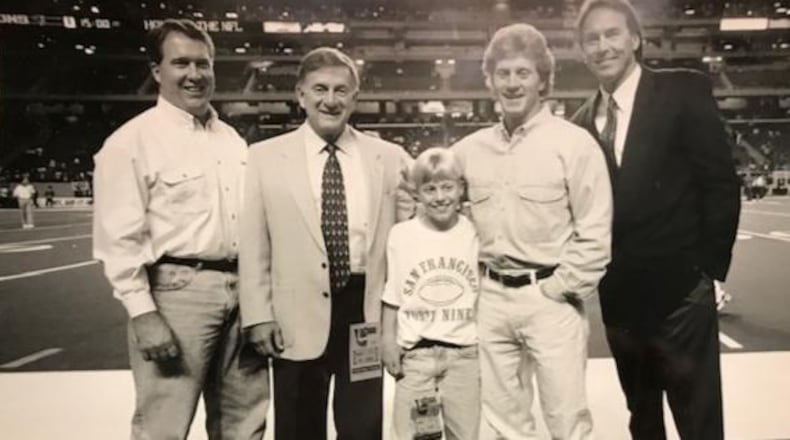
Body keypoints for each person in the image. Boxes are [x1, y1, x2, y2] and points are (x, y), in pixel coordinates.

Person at [571, 1, 741, 438]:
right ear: (582, 50)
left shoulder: (683, 90)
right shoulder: (579, 123)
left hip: (681, 294)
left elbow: (720, 182)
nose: (603, 46)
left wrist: (708, 271)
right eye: (592, 38)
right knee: (643, 422)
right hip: (621, 302)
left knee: (699, 424)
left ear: (635, 39)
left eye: (612, 34)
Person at [92, 19, 268, 439]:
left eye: (203, 63)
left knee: (245, 423)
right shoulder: (130, 143)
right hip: (176, 294)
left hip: (242, 292)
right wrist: (143, 314)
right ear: (157, 71)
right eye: (181, 63)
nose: (195, 74)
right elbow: (118, 241)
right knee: (164, 425)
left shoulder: (231, 140)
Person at [239, 47, 414, 440]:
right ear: (300, 94)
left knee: (362, 428)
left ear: (355, 97)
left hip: (362, 310)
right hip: (294, 314)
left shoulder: (388, 157)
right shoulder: (264, 158)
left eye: (341, 90)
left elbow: (411, 236)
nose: (330, 100)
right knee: (299, 428)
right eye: (319, 89)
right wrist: (257, 314)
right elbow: (254, 245)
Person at [452, 23, 612, 439]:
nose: (512, 83)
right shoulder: (468, 150)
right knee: (504, 421)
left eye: (523, 73)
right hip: (489, 299)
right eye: (503, 73)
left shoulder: (574, 144)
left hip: (550, 299)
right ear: (490, 80)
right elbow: (420, 189)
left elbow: (596, 229)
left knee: (566, 418)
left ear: (543, 79)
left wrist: (561, 288)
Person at [381, 147, 480, 440]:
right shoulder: (401, 235)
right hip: (416, 356)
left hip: (464, 354)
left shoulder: (474, 232)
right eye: (430, 189)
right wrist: (387, 339)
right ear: (417, 193)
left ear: (461, 188)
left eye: (448, 187)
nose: (440, 197)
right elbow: (393, 296)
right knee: (413, 435)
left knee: (463, 434)